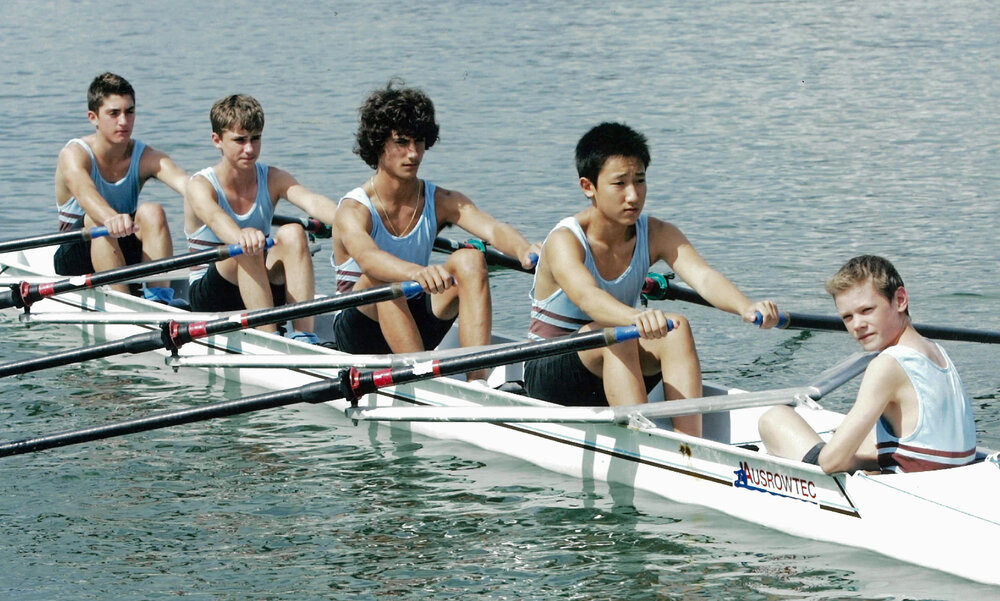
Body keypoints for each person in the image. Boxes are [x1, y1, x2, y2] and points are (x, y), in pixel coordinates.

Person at [524, 122, 780, 437]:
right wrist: (637, 317)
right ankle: (642, 445)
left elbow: (703, 277)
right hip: (548, 375)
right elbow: (588, 297)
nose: (633, 195)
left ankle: (691, 445)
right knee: (616, 332)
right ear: (588, 186)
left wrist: (745, 306)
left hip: (611, 357)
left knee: (676, 328)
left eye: (640, 181)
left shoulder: (657, 232)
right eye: (619, 184)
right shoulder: (565, 240)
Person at [331, 81, 539, 381]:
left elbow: (492, 228)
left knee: (470, 260)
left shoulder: (439, 200)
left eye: (419, 142)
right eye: (402, 142)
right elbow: (368, 257)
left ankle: (477, 383)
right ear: (379, 144)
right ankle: (424, 380)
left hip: (415, 319)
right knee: (380, 276)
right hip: (358, 334)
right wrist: (416, 272)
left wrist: (523, 249)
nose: (413, 153)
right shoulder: (354, 209)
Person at [758, 255, 977, 474]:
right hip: (949, 475)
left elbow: (830, 464)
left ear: (900, 300)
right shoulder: (937, 350)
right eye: (847, 317)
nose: (858, 325)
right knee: (861, 437)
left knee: (775, 418)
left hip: (909, 488)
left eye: (867, 311)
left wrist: (853, 461)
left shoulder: (887, 364)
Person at [184, 94, 338, 342]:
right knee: (245, 246)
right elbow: (215, 218)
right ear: (217, 140)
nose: (249, 149)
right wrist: (240, 235)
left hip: (260, 285)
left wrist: (350, 221)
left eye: (255, 139)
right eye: (240, 140)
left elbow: (312, 201)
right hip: (210, 297)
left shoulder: (273, 178)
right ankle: (270, 337)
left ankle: (304, 335)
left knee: (293, 232)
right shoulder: (200, 185)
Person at [54, 72, 188, 303]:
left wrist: (223, 205)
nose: (124, 122)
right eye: (114, 113)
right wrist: (110, 218)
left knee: (153, 211)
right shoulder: (74, 155)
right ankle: (122, 303)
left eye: (129, 112)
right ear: (93, 117)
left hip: (122, 249)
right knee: (97, 221)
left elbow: (189, 185)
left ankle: (159, 299)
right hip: (75, 254)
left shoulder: (146, 156)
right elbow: (86, 194)